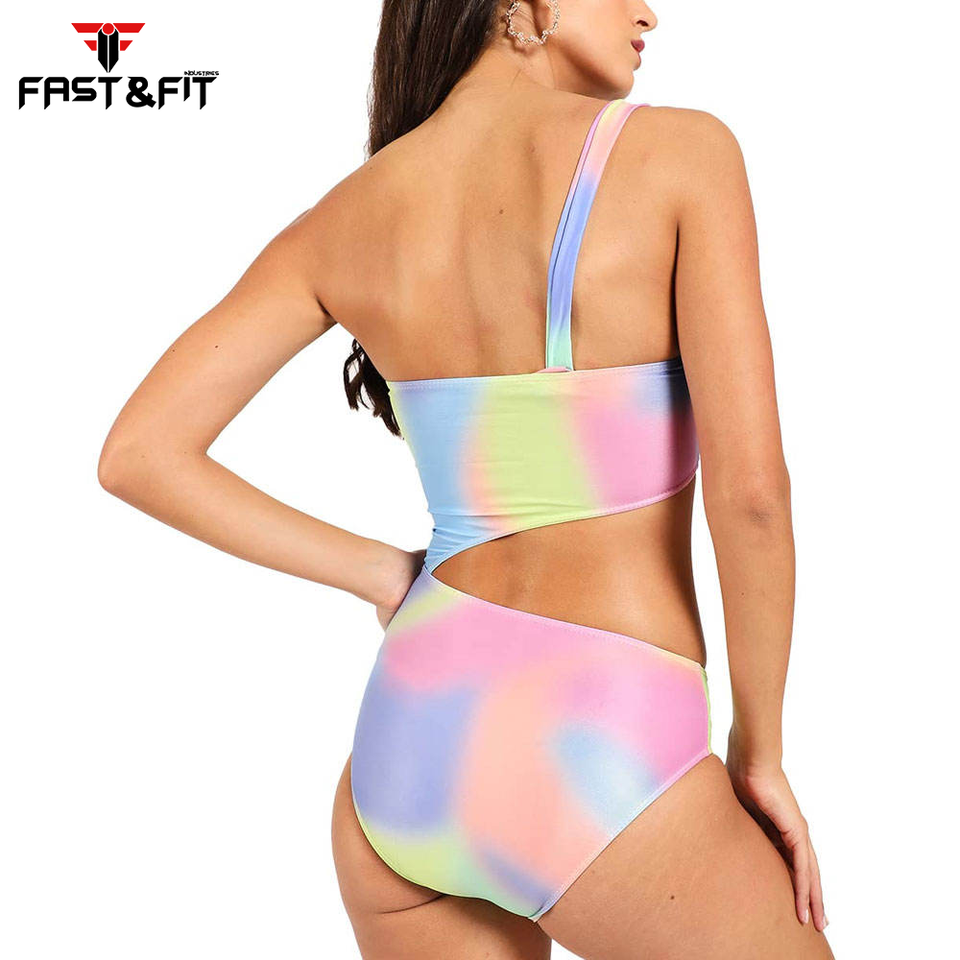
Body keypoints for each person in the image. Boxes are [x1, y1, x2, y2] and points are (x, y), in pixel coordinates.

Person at [98, 1, 834, 957]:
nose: (648, 12)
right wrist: (760, 751)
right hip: (600, 749)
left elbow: (139, 453)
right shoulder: (683, 156)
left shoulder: (349, 216)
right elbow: (753, 497)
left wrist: (379, 573)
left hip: (408, 759)